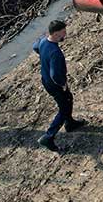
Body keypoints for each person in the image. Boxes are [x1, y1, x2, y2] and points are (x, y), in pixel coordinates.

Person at [34, 19, 86, 151]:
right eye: (63, 33)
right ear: (56, 34)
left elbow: (35, 47)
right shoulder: (55, 53)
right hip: (55, 85)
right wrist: (62, 84)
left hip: (46, 81)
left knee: (68, 100)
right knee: (64, 108)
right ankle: (48, 137)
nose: (65, 35)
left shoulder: (43, 42)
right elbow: (55, 75)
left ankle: (70, 123)